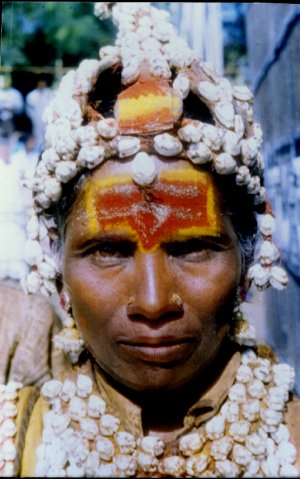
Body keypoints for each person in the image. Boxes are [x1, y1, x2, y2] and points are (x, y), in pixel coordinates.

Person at [1, 3, 299, 477]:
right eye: (108, 252)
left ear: (251, 258)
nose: (154, 301)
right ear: (56, 269)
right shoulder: (14, 440)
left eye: (192, 248)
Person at [25, 73, 53, 153]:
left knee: (48, 137)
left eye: (43, 82)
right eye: (40, 82)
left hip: (48, 121)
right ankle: (37, 153)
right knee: (37, 137)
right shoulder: (31, 95)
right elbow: (29, 110)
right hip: (36, 121)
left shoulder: (50, 93)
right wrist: (34, 118)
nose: (41, 84)